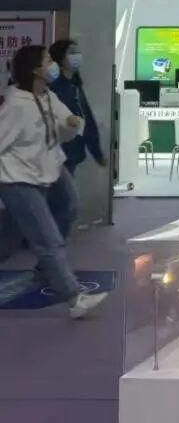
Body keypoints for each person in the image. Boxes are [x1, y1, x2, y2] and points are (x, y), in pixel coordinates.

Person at [0, 45, 108, 319]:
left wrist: (71, 123)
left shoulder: (48, 96)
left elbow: (63, 125)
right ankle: (74, 298)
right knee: (47, 240)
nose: (53, 65)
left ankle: (47, 267)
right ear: (36, 69)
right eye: (48, 60)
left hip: (51, 167)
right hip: (19, 179)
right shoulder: (15, 106)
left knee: (65, 208)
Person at [48, 38, 106, 175]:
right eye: (72, 52)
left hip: (73, 153)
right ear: (60, 57)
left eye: (78, 52)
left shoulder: (75, 85)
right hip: (58, 154)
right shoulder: (53, 87)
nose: (77, 56)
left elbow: (87, 119)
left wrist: (97, 153)